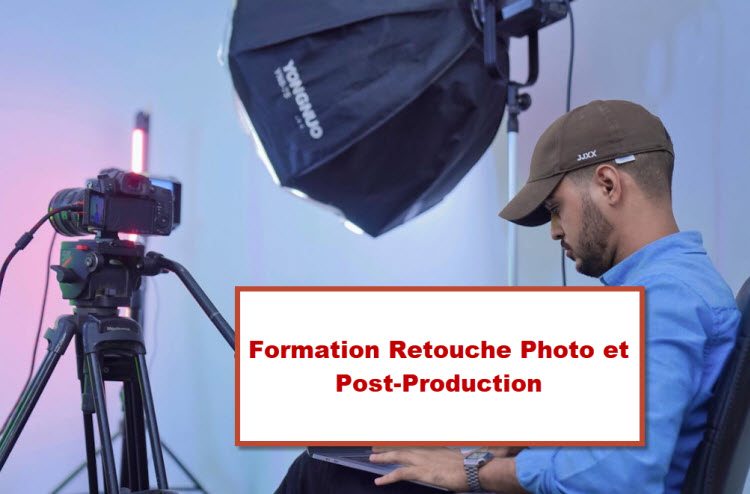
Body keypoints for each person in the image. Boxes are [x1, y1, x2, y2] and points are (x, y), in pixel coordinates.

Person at [274, 100, 741, 493]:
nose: (556, 230)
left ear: (607, 184)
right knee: (365, 454)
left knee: (322, 474)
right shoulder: (672, 287)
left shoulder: (665, 300)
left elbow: (623, 471)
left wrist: (476, 472)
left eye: (556, 209)